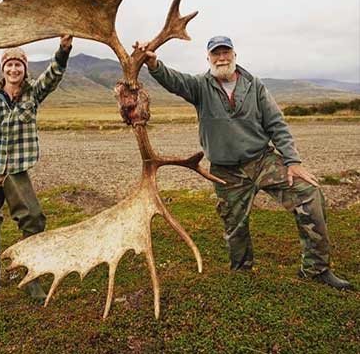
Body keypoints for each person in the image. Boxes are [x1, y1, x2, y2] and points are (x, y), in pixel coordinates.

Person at [134, 36, 352, 290]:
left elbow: (276, 124)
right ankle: (241, 272)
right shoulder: (199, 86)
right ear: (208, 58)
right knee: (234, 225)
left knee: (308, 193)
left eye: (226, 52)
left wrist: (292, 161)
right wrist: (153, 64)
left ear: (235, 55)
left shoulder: (254, 85)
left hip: (262, 160)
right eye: (216, 54)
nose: (222, 58)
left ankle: (316, 269)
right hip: (226, 170)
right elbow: (174, 81)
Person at [0, 35, 73, 298]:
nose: (13, 69)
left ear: (24, 69)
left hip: (16, 169)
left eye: (18, 65)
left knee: (33, 218)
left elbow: (54, 74)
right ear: (3, 69)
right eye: (9, 65)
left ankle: (30, 275)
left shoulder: (33, 93)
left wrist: (64, 49)